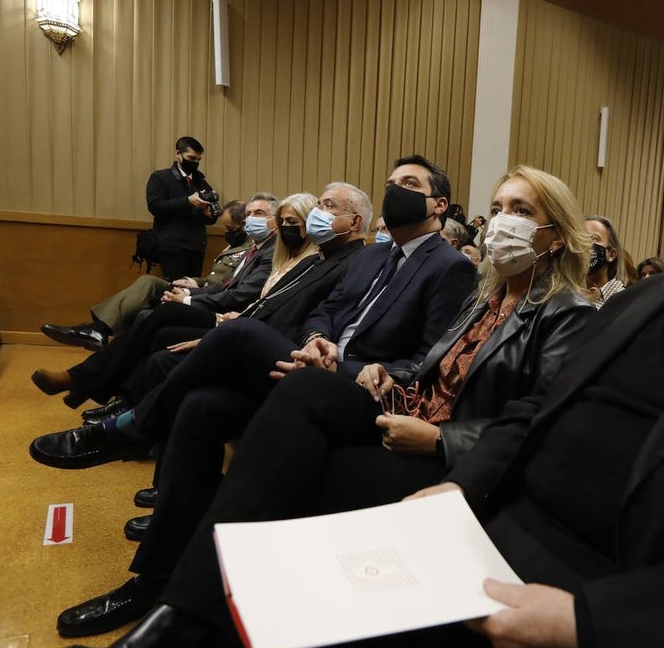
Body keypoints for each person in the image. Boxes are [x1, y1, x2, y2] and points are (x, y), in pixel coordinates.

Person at [48, 89, 664, 648]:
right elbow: (539, 409)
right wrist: (463, 482)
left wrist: (590, 626)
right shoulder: (656, 295)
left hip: (609, 589)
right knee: (278, 581)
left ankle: (182, 609)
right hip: (484, 524)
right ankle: (188, 612)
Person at [41, 168, 596, 648]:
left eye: (521, 211)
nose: (502, 221)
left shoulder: (566, 312)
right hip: (398, 408)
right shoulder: (487, 296)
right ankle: (182, 622)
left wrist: (440, 441)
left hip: (445, 457)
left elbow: (541, 422)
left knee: (295, 439)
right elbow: (425, 368)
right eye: (498, 208)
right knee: (219, 405)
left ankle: (184, 625)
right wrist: (381, 374)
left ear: (556, 233)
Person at [28, 155, 475, 472]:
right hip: (311, 359)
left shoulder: (447, 265)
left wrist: (340, 361)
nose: (396, 191)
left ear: (439, 205)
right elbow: (326, 310)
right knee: (203, 404)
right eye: (393, 182)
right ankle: (160, 571)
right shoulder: (376, 257)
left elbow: (426, 362)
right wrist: (314, 341)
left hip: (358, 386)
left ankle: (127, 427)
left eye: (411, 185)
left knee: (234, 334)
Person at [28, 194, 315, 416]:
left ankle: (87, 381)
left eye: (261, 215)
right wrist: (195, 290)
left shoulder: (284, 256)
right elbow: (242, 294)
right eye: (249, 214)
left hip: (238, 323)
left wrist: (195, 301)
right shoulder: (271, 253)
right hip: (232, 316)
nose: (252, 219)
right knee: (156, 325)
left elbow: (244, 297)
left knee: (162, 317)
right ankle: (95, 385)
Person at [39, 200, 250, 352]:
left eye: (230, 228)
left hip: (209, 299)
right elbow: (214, 278)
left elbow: (227, 286)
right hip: (199, 288)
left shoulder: (251, 249)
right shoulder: (236, 244)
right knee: (148, 282)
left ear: (244, 225)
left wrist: (189, 291)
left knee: (142, 311)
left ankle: (98, 331)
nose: (227, 232)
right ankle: (98, 329)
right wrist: (193, 281)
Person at [147, 136, 220, 281]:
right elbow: (155, 206)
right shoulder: (160, 177)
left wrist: (209, 214)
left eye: (198, 160)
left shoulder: (201, 182)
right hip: (171, 246)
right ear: (178, 154)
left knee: (190, 290)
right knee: (174, 289)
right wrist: (187, 201)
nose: (195, 163)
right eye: (191, 158)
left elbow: (210, 219)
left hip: (196, 247)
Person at [584, 214, 626, 306]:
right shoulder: (565, 295)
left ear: (611, 254)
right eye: (581, 238)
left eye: (593, 238)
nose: (585, 244)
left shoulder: (624, 300)